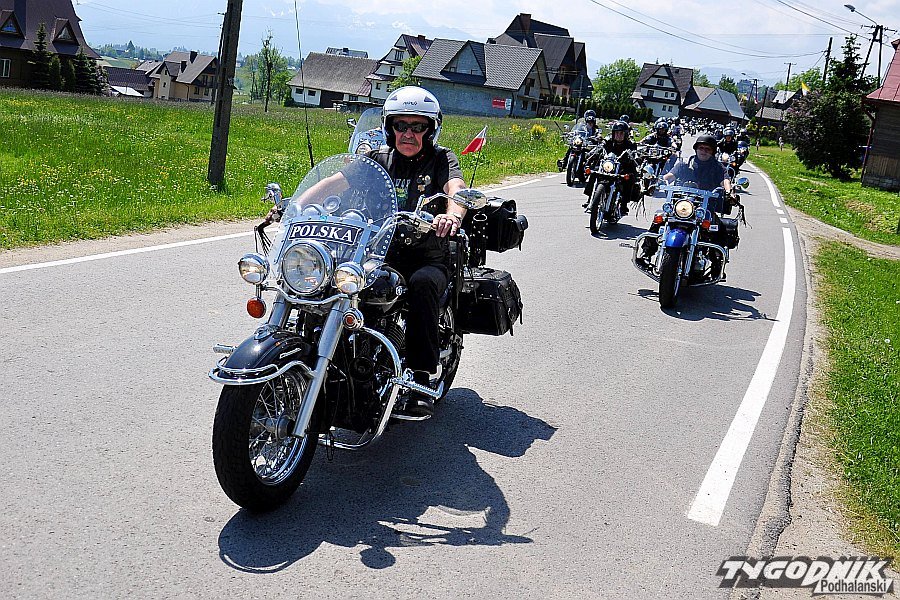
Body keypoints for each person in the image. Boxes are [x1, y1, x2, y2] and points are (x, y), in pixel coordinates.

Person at [583, 121, 638, 214]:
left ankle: (624, 204)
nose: (618, 135)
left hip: (623, 166)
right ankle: (590, 199)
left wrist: (634, 157)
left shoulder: (630, 144)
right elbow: (600, 147)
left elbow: (635, 154)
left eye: (621, 133)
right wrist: (592, 153)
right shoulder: (608, 140)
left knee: (629, 178)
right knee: (594, 173)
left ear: (626, 134)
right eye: (616, 133)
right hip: (608, 164)